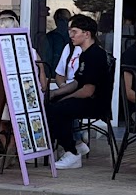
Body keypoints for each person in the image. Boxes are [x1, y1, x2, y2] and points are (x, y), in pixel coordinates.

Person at [45, 14, 112, 170]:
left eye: (74, 31)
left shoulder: (95, 55)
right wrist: (55, 93)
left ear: (87, 34)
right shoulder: (84, 53)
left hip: (96, 103)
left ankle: (72, 152)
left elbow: (87, 91)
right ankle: (75, 144)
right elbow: (77, 82)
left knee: (58, 110)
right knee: (50, 103)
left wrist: (65, 98)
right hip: (87, 98)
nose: (71, 35)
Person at [42, 8, 72, 73]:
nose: (63, 22)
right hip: (53, 73)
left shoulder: (73, 37)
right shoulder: (50, 37)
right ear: (55, 21)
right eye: (60, 19)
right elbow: (46, 58)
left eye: (65, 19)